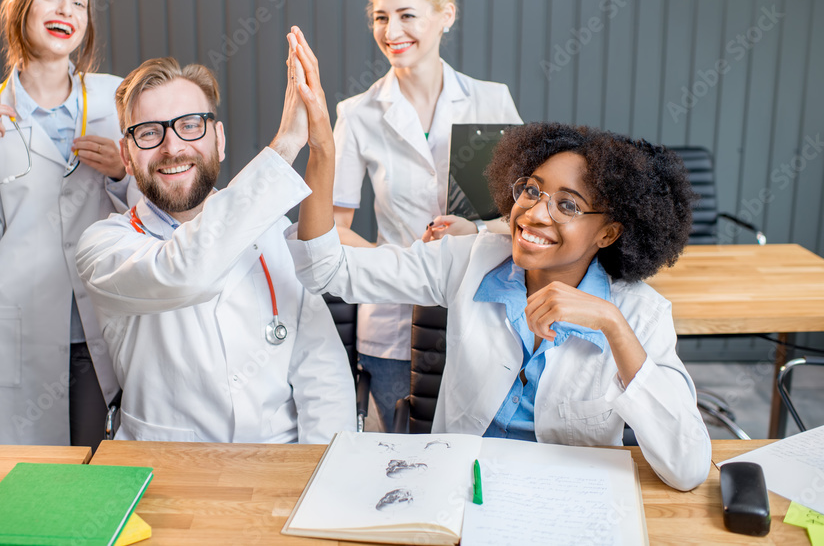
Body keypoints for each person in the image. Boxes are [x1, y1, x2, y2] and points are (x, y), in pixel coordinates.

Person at [287, 41, 710, 489]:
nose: (535, 213)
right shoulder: (467, 260)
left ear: (608, 233)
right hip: (458, 494)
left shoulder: (640, 315)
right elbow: (325, 270)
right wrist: (321, 150)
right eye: (531, 189)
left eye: (567, 205)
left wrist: (612, 324)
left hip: (564, 507)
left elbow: (687, 468)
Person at [75, 37, 355, 444]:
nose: (173, 147)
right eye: (149, 133)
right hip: (166, 471)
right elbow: (186, 273)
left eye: (190, 125)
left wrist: (320, 478)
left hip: (277, 468)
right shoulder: (104, 247)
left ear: (219, 140)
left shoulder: (272, 230)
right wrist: (287, 143)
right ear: (128, 154)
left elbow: (322, 372)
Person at [332, 0, 523, 431]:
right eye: (380, 17)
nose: (391, 31)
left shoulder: (491, 102)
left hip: (484, 310)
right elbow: (331, 229)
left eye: (407, 16)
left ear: (446, 16)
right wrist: (401, 262)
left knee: (478, 457)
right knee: (404, 456)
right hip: (394, 324)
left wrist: (475, 235)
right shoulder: (357, 115)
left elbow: (529, 213)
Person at [0, 0, 128, 447]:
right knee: (25, 481)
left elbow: (160, 212)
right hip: (19, 325)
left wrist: (121, 176)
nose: (66, 9)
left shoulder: (116, 101)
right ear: (21, 9)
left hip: (99, 327)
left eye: (80, 2)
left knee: (98, 472)